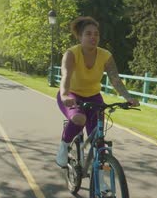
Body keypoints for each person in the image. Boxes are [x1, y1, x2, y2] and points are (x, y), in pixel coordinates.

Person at [55, 16, 139, 167]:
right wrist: (65, 94)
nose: (93, 37)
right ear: (80, 37)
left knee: (99, 141)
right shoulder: (71, 54)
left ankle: (101, 183)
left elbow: (115, 79)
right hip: (72, 94)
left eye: (96, 34)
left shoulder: (105, 56)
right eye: (88, 34)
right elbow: (66, 76)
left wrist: (128, 97)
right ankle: (64, 146)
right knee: (79, 118)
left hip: (94, 97)